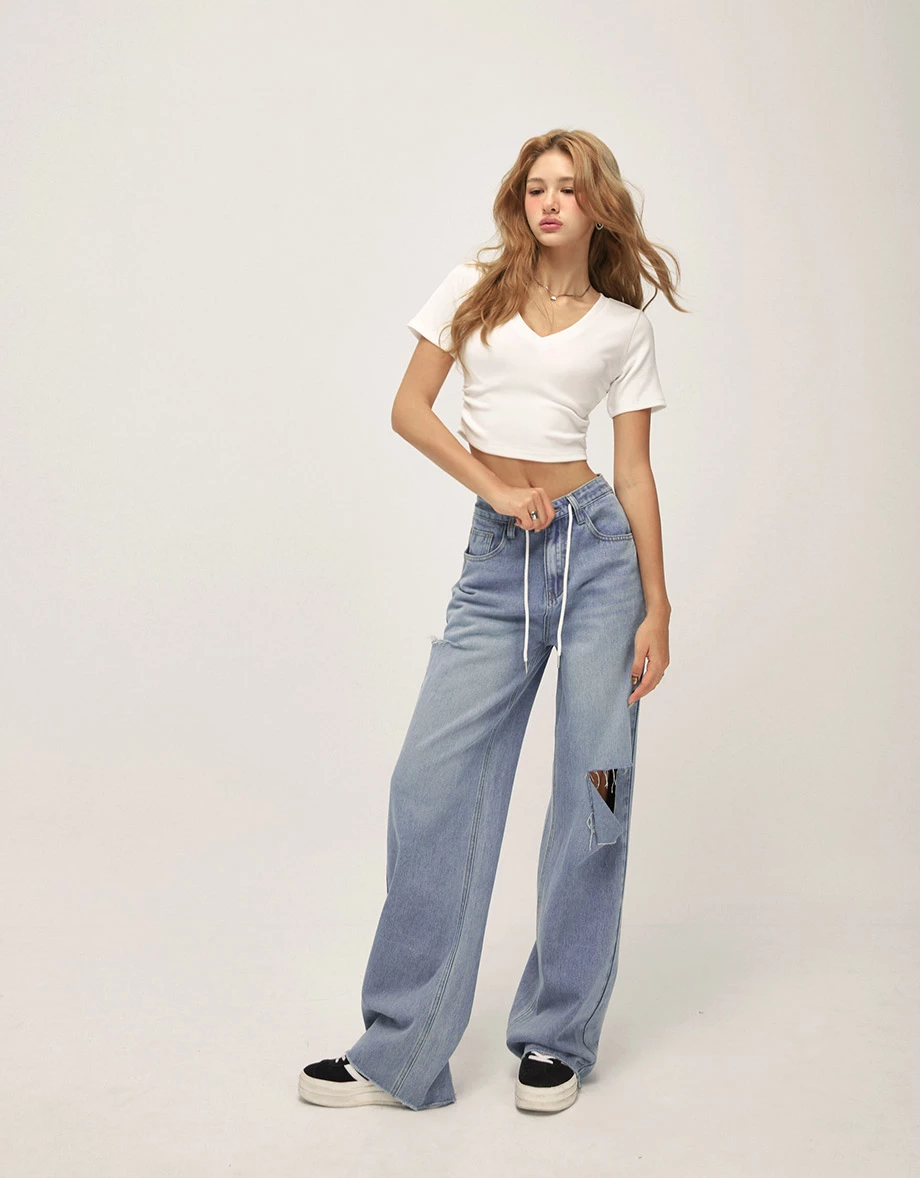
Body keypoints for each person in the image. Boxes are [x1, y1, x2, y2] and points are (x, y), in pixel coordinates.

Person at [299, 128, 686, 1114]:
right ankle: (401, 1050)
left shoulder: (621, 328)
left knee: (594, 792)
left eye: (568, 188)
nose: (549, 201)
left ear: (596, 206)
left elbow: (634, 472)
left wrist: (657, 604)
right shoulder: (474, 288)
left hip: (600, 564)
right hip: (497, 562)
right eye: (535, 186)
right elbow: (411, 408)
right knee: (429, 782)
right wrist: (494, 489)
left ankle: (557, 1036)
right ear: (519, 200)